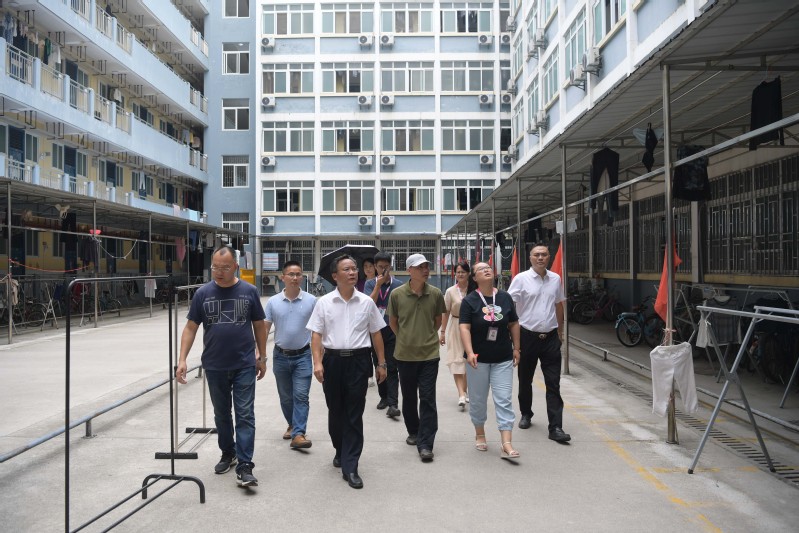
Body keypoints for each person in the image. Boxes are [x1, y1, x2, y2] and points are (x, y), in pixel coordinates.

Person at [176, 245, 267, 487]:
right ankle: (228, 453)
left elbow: (259, 324)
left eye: (225, 267)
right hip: (215, 364)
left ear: (235, 266)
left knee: (245, 414)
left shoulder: (249, 291)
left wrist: (262, 355)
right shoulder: (203, 293)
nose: (219, 272)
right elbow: (191, 327)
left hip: (244, 363)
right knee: (222, 414)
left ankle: (245, 465)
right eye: (215, 267)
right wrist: (182, 359)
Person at [307, 255, 387, 489]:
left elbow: (376, 333)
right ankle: (340, 449)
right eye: (347, 269)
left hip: (359, 362)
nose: (353, 272)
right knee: (336, 411)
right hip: (332, 361)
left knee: (354, 412)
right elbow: (316, 334)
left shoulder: (366, 302)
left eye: (354, 269)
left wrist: (381, 363)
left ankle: (351, 465)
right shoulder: (324, 302)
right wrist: (317, 362)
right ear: (335, 276)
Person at [507, 244, 570, 443]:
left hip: (550, 337)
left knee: (553, 383)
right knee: (525, 379)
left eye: (544, 254)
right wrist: (513, 338)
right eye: (537, 255)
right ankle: (526, 413)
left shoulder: (556, 279)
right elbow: (509, 306)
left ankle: (556, 427)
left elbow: (558, 304)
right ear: (530, 258)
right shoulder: (521, 279)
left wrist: (560, 331)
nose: (540, 258)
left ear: (549, 257)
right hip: (527, 336)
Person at [459, 262, 521, 459]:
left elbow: (513, 323)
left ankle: (506, 443)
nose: (486, 270)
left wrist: (516, 348)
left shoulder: (504, 297)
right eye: (481, 269)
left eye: (488, 268)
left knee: (503, 399)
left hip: (502, 357)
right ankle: (480, 433)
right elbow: (464, 328)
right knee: (478, 400)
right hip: (478, 360)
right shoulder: (469, 301)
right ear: (474, 278)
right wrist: (469, 352)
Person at [388, 253, 446, 462]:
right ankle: (413, 431)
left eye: (426, 266)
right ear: (409, 270)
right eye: (420, 267)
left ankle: (426, 444)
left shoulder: (436, 293)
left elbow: (438, 320)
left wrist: (426, 337)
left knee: (428, 399)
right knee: (409, 397)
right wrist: (406, 338)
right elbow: (393, 322)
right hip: (405, 355)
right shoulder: (397, 294)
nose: (425, 270)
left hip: (429, 355)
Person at [263, 261, 316, 449]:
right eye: (291, 274)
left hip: (303, 356)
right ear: (282, 277)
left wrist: (319, 359)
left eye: (298, 274)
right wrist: (260, 354)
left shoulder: (311, 301)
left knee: (301, 395)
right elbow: (265, 328)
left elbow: (318, 331)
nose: (295, 278)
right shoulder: (273, 302)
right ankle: (293, 425)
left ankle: (299, 434)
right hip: (280, 356)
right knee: (286, 397)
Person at [363, 251, 404, 418]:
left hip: (392, 329)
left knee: (392, 366)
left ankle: (393, 403)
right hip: (375, 331)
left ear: (390, 267)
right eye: (380, 267)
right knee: (379, 363)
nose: (383, 270)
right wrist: (378, 286)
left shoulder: (398, 285)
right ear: (375, 267)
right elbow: (368, 305)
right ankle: (384, 397)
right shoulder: (369, 284)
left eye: (386, 267)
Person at [439, 261, 473, 409]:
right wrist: (442, 332)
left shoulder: (475, 290)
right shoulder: (450, 291)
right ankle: (461, 394)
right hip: (455, 326)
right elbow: (445, 312)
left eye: (463, 272)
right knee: (456, 360)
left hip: (472, 328)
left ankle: (465, 390)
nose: (460, 274)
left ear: (468, 274)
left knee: (468, 361)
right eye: (458, 272)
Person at [358, 257, 377, 387]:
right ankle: (369, 375)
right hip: (363, 319)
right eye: (365, 266)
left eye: (370, 266)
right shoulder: (359, 283)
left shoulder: (380, 281)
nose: (368, 269)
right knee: (366, 350)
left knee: (376, 349)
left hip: (378, 318)